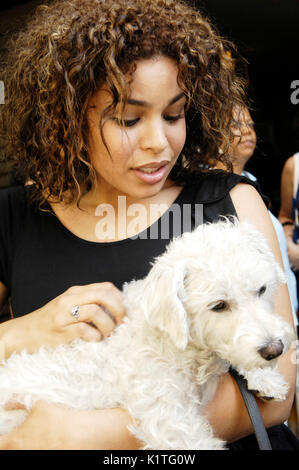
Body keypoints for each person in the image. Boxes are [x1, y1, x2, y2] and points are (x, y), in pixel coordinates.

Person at [0, 0, 296, 450]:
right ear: (67, 118)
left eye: (173, 115)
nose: (159, 142)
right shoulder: (13, 217)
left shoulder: (230, 201)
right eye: (129, 119)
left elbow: (277, 387)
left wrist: (86, 434)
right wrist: (22, 330)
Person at [219, 105, 298, 327]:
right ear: (213, 133)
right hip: (260, 324)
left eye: (250, 125)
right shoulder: (212, 196)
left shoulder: (250, 182)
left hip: (287, 313)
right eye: (236, 125)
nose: (247, 132)